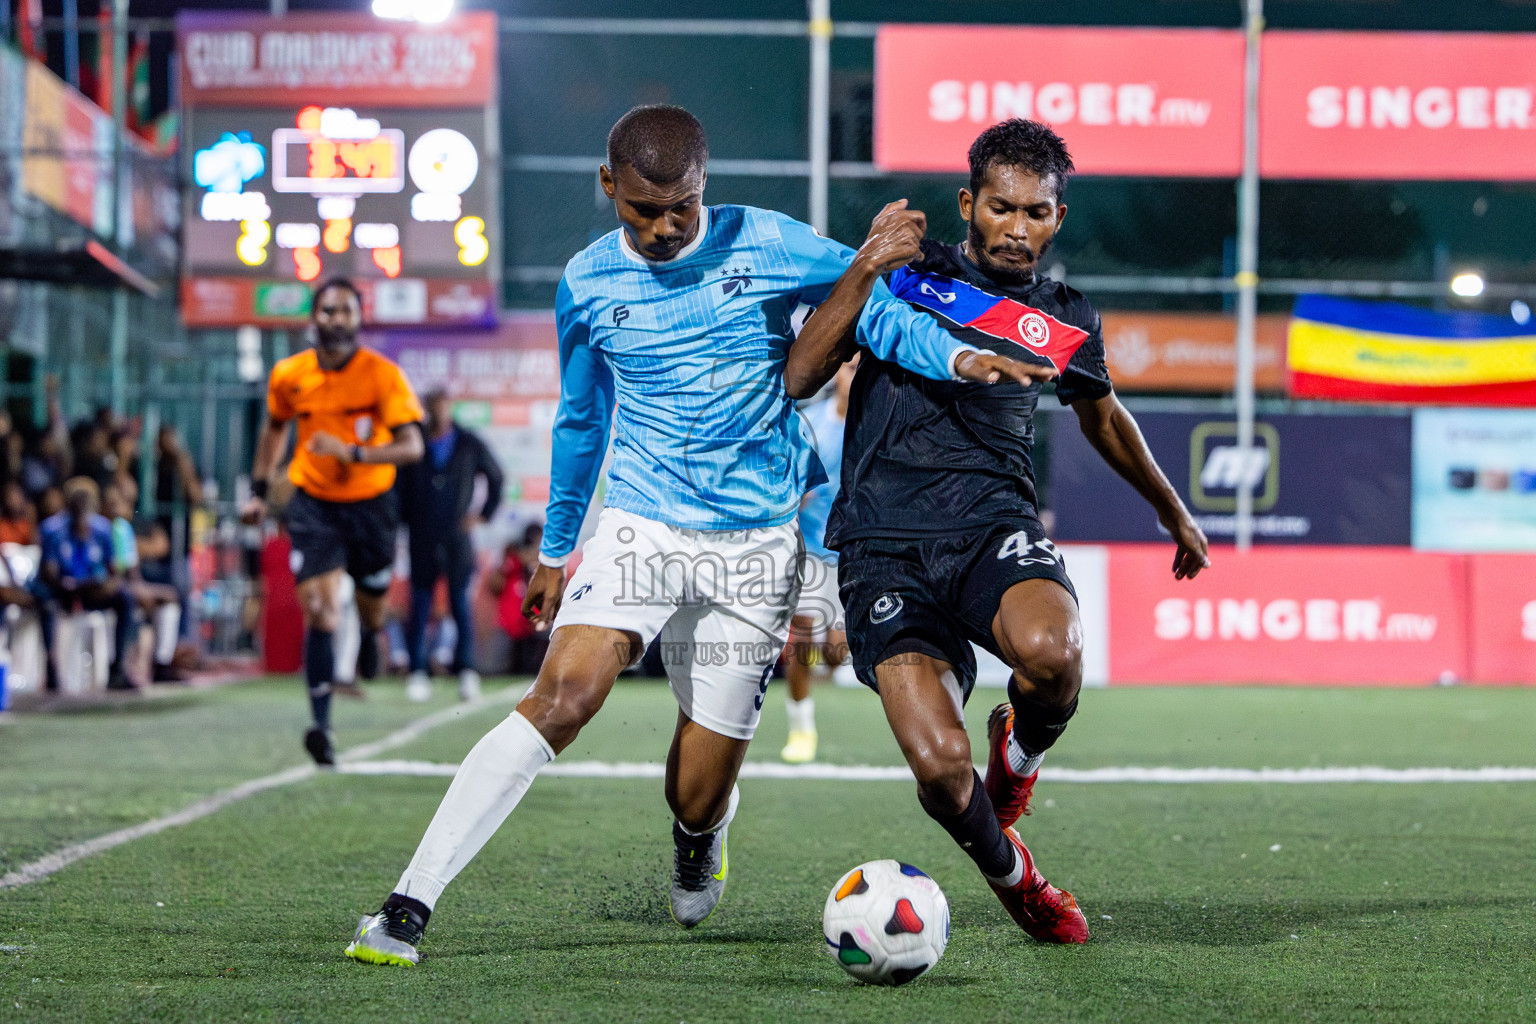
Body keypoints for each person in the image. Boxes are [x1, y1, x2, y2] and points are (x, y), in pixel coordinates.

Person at [343, 103, 1046, 968]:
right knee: (564, 698)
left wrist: (963, 352)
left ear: (703, 185)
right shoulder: (588, 281)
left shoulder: (765, 239)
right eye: (646, 209)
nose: (669, 225)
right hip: (640, 525)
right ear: (609, 187)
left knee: (698, 789)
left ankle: (695, 836)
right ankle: (407, 905)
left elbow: (875, 304)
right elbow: (580, 420)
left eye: (684, 205)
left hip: (754, 547)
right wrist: (559, 549)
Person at [801, 119, 1211, 945]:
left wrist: (1172, 508)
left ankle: (1017, 761)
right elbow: (806, 370)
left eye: (1035, 212)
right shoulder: (908, 271)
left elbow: (1104, 420)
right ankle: (1014, 878)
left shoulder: (1065, 317)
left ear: (1058, 217)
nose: (1017, 228)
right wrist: (864, 264)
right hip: (885, 545)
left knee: (1054, 655)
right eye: (1000, 208)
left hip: (992, 525)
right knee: (943, 773)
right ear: (969, 204)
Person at [241, 278, 425, 766]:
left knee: (369, 604)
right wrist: (259, 492)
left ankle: (369, 634)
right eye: (327, 310)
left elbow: (412, 447)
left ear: (359, 318)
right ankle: (320, 726)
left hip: (370, 504)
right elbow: (275, 428)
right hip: (314, 503)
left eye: (344, 310)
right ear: (314, 318)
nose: (335, 319)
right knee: (321, 609)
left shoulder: (381, 376)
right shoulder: (289, 374)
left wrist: (354, 452)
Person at [394, 388, 504, 703]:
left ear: (449, 408)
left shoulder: (467, 442)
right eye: (432, 406)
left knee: (459, 606)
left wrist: (482, 515)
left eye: (443, 405)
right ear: (426, 409)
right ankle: (417, 671)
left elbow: (495, 476)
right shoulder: (414, 441)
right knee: (420, 604)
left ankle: (466, 671)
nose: (438, 411)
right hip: (421, 535)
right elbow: (397, 486)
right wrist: (403, 520)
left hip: (457, 536)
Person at [779, 356, 857, 764]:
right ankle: (801, 729)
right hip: (807, 547)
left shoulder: (874, 429)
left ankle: (824, 658)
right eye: (850, 368)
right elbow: (787, 480)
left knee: (838, 652)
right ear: (837, 373)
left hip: (848, 554)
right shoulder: (809, 422)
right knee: (801, 636)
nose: (854, 378)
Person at [37, 477, 137, 691]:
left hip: (91, 590)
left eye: (86, 499)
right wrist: (72, 585)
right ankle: (52, 666)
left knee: (124, 597)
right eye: (77, 499)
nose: (82, 505)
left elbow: (112, 570)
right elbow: (49, 574)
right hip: (61, 591)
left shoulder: (102, 529)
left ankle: (118, 667)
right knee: (46, 601)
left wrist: (109, 584)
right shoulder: (52, 529)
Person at [103, 481, 185, 683]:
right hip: (105, 592)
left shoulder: (123, 529)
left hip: (127, 587)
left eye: (124, 503)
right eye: (114, 503)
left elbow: (131, 571)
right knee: (125, 599)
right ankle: (119, 667)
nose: (120, 508)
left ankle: (161, 664)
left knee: (169, 599)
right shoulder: (100, 529)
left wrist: (144, 591)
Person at [485, 524, 548, 676]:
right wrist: (512, 561)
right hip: (511, 623)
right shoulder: (512, 560)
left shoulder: (544, 563)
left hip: (534, 622)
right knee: (505, 666)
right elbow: (494, 586)